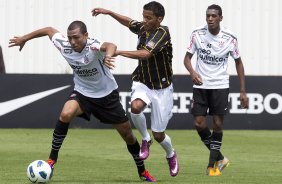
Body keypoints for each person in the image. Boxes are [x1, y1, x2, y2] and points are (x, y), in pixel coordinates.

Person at [8, 21, 156, 182]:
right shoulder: (64, 44)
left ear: (85, 35)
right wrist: (24, 38)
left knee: (128, 135)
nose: (72, 42)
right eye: (70, 38)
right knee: (66, 113)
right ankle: (51, 160)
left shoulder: (93, 46)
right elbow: (49, 30)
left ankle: (142, 172)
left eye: (76, 38)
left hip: (107, 97)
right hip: (82, 93)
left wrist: (107, 56)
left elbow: (111, 45)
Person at [92, 1, 179, 177]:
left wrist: (119, 52)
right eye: (144, 16)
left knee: (159, 135)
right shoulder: (143, 28)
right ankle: (145, 139)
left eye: (149, 18)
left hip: (162, 88)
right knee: (135, 107)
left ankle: (170, 154)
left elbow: (146, 54)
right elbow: (129, 22)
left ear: (159, 19)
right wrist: (109, 12)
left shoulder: (162, 33)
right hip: (142, 81)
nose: (144, 20)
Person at [184, 4, 249, 176]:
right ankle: (221, 157)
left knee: (218, 124)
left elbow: (239, 63)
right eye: (208, 16)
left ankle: (212, 165)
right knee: (199, 123)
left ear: (221, 18)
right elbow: (187, 59)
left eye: (214, 16)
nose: (210, 19)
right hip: (201, 85)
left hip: (220, 85)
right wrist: (192, 72)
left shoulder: (230, 37)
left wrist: (242, 91)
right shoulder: (196, 34)